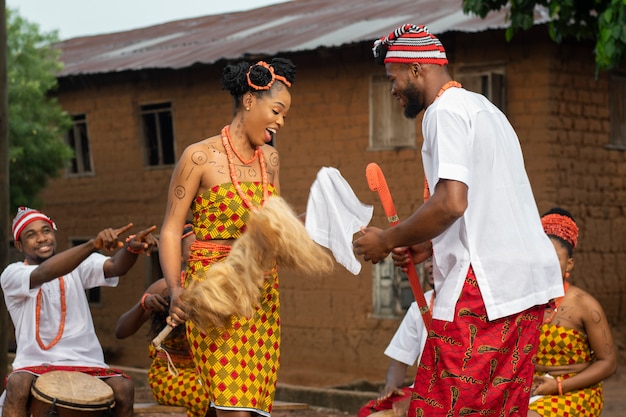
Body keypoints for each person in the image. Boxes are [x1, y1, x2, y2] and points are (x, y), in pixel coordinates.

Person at [352, 24, 564, 417]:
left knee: (442, 406)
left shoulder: (443, 112)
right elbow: (485, 205)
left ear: (417, 69)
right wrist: (425, 243)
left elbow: (451, 203)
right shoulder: (486, 109)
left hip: (482, 290)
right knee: (498, 409)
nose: (392, 89)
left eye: (393, 78)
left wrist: (387, 239)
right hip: (524, 288)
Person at [158, 58, 296, 417]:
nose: (281, 121)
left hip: (261, 294)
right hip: (212, 294)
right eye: (277, 111)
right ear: (250, 101)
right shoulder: (199, 157)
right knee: (232, 408)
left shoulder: (271, 160)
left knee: (251, 409)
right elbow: (172, 231)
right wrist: (175, 291)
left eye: (284, 115)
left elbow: (277, 224)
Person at [0, 206, 158, 417]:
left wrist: (131, 249)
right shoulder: (13, 273)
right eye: (31, 235)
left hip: (86, 362)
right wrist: (94, 244)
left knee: (124, 388)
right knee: (17, 384)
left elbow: (116, 267)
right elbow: (43, 273)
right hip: (34, 364)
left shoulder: (78, 264)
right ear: (19, 245)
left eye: (46, 231)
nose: (41, 238)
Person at [115, 223, 211, 417]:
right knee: (216, 399)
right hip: (172, 375)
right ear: (179, 256)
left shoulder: (221, 290)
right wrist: (144, 304)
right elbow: (121, 331)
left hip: (210, 374)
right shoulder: (165, 288)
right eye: (194, 249)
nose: (201, 255)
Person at [528, 208, 617, 417]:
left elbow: (608, 363)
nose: (546, 264)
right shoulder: (525, 302)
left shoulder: (584, 305)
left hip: (575, 391)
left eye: (555, 258)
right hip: (532, 387)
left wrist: (557, 386)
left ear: (569, 263)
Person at [358, 258, 434, 417]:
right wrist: (390, 386)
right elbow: (400, 360)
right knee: (369, 411)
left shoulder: (469, 307)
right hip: (420, 391)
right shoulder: (419, 306)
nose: (432, 264)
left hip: (453, 391)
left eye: (438, 257)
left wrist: (417, 400)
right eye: (428, 259)